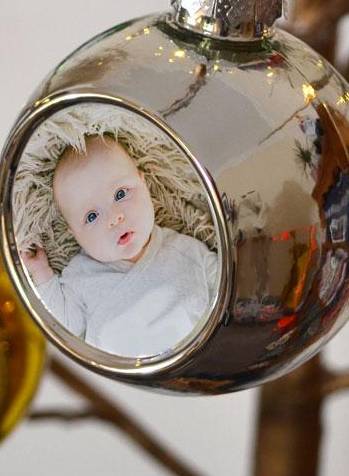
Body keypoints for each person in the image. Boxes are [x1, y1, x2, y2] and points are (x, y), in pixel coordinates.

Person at [21, 136, 219, 356]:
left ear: (144, 184)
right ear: (75, 235)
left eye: (120, 194)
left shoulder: (185, 250)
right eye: (92, 216)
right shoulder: (81, 275)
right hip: (127, 378)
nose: (114, 218)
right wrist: (41, 272)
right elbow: (64, 324)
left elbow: (228, 287)